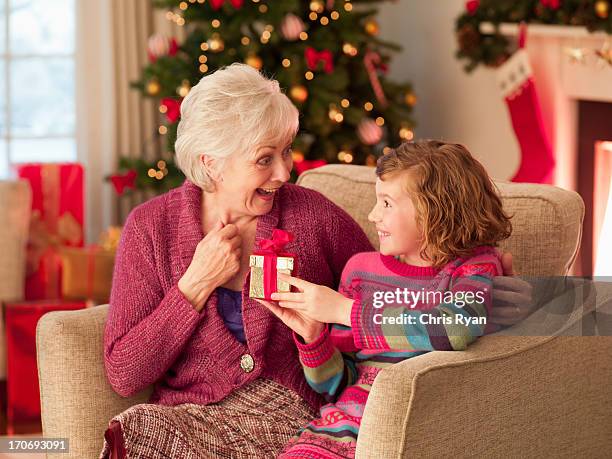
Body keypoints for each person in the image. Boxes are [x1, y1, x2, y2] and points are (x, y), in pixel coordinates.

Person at [100, 64, 529, 458]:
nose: (284, 173)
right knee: (138, 428)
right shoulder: (150, 228)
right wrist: (192, 287)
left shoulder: (313, 216)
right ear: (211, 162)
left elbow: (402, 277)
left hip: (291, 415)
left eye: (285, 152)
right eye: (264, 159)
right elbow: (124, 374)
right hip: (188, 415)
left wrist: (496, 293)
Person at [261, 140, 512, 458]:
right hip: (343, 431)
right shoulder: (360, 271)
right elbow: (339, 385)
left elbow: (457, 326)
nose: (372, 214)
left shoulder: (474, 268)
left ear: (433, 210)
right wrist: (312, 339)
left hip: (419, 430)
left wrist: (346, 311)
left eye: (387, 203)